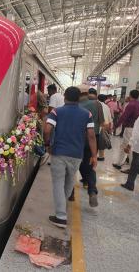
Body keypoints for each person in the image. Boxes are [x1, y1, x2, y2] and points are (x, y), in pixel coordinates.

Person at [44, 86, 97, 228]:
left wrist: (47, 144)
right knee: (69, 181)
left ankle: (61, 216)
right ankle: (63, 207)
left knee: (57, 182)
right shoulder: (87, 114)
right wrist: (94, 155)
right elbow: (91, 135)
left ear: (65, 97)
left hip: (59, 152)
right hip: (77, 154)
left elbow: (47, 129)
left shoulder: (57, 111)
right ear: (79, 98)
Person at [75, 86, 104, 207]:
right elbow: (101, 121)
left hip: (78, 138)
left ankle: (71, 193)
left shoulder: (75, 106)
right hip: (93, 138)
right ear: (87, 94)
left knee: (75, 164)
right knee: (90, 164)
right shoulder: (97, 104)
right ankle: (92, 190)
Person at [112, 90, 139, 171]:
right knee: (125, 145)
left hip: (129, 128)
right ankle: (119, 163)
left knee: (128, 147)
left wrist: (116, 125)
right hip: (136, 128)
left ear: (130, 95)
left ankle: (131, 167)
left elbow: (124, 116)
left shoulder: (130, 105)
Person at [97, 94, 113, 161]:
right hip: (105, 125)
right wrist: (110, 128)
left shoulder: (96, 105)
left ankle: (94, 155)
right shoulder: (107, 107)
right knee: (102, 141)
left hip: (97, 125)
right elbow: (110, 119)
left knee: (95, 140)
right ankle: (101, 156)